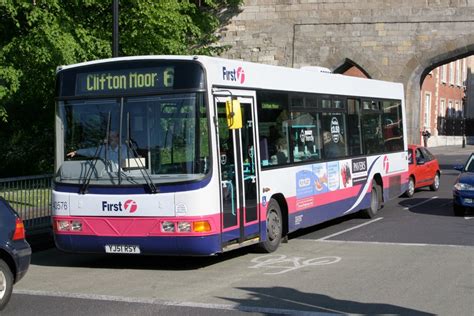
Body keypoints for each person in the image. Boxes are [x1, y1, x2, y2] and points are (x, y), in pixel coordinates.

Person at [67, 131, 131, 171]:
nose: (111, 138)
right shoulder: (102, 149)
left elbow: (132, 165)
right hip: (105, 178)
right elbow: (90, 151)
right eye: (109, 137)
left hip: (122, 178)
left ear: (118, 138)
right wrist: (77, 152)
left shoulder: (126, 150)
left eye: (113, 136)